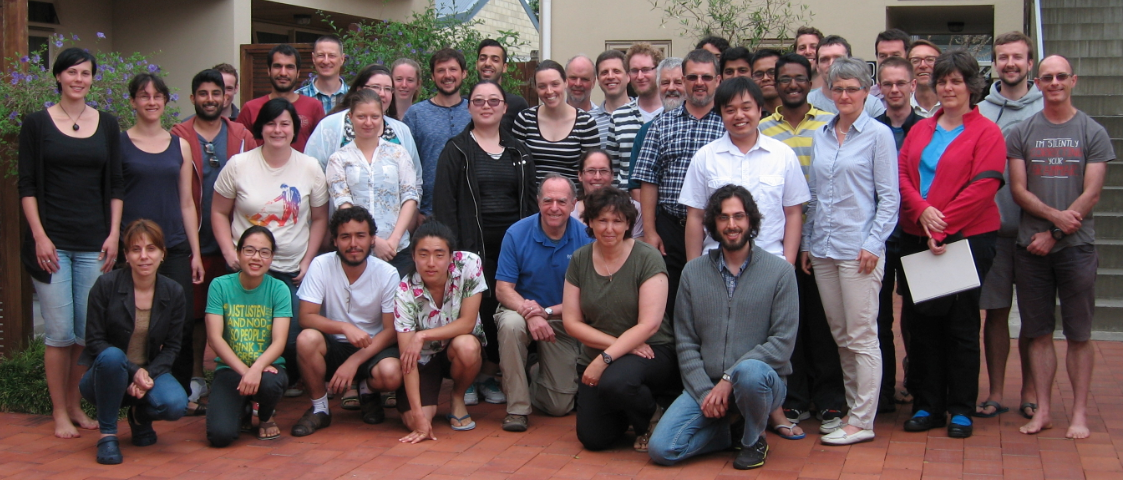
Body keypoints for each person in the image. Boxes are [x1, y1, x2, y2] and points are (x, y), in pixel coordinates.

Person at [648, 185, 799, 470]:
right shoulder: (693, 273)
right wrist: (706, 393)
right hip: (707, 386)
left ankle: (754, 439)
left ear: (751, 221)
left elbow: (781, 342)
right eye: (723, 217)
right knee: (662, 449)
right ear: (712, 224)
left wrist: (730, 379)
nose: (732, 225)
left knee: (751, 372)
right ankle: (732, 431)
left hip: (761, 385)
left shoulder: (780, 272)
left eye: (739, 216)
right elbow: (686, 342)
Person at [898, 50, 1005, 439]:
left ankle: (960, 408)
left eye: (956, 81)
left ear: (972, 87)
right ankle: (929, 404)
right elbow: (903, 177)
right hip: (919, 235)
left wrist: (941, 228)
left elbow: (984, 186)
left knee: (960, 326)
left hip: (969, 239)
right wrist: (923, 211)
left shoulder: (987, 132)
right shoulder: (921, 129)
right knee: (923, 324)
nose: (948, 87)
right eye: (942, 81)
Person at [18, 47, 122, 439]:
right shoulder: (37, 124)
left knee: (84, 332)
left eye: (86, 73)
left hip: (94, 242)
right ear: (58, 76)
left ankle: (77, 404)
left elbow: (115, 185)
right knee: (59, 332)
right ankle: (58, 411)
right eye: (72, 73)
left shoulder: (107, 124)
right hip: (53, 244)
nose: (79, 79)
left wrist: (113, 234)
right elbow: (26, 185)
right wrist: (39, 236)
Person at [1010, 55, 1113, 439]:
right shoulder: (1021, 131)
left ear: (1074, 81)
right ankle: (1045, 411)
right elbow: (1019, 190)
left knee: (1079, 335)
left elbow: (1093, 192)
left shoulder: (1093, 131)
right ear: (1037, 83)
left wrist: (1055, 232)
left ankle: (1080, 413)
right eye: (1047, 77)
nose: (1054, 83)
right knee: (1037, 333)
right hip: (1030, 250)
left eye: (1061, 77)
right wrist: (1055, 219)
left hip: (1076, 249)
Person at [802, 57, 899, 445]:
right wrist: (808, 243)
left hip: (858, 251)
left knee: (862, 336)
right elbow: (813, 196)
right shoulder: (822, 134)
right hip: (824, 249)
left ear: (865, 92)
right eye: (837, 88)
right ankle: (851, 409)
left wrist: (873, 243)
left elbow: (889, 198)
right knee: (841, 334)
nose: (843, 95)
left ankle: (863, 419)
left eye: (851, 89)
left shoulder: (878, 135)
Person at [213, 98, 329, 396]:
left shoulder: (310, 167)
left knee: (289, 337)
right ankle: (244, 385)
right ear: (259, 128)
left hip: (290, 269)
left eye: (285, 124)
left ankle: (277, 385)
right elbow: (218, 212)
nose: (278, 130)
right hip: (246, 267)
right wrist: (229, 252)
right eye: (271, 123)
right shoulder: (239, 165)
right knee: (245, 333)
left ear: (295, 130)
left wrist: (308, 260)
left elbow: (319, 218)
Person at [434, 80, 538, 405]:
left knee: (502, 309)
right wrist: (454, 251)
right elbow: (443, 204)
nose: (486, 105)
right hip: (470, 250)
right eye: (479, 100)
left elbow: (531, 203)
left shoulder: (519, 151)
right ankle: (468, 377)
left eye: (494, 100)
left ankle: (490, 375)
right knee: (475, 311)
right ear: (469, 107)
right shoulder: (456, 150)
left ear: (505, 107)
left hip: (512, 250)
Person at [757, 53, 846, 431]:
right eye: (784, 79)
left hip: (824, 239)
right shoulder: (761, 129)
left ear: (811, 82)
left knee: (823, 322)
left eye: (799, 78)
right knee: (786, 324)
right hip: (778, 241)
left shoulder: (830, 125)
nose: (792, 85)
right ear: (775, 84)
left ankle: (828, 399)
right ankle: (793, 398)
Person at [563, 187, 680, 452]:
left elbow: (649, 324)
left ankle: (650, 417)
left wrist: (606, 359)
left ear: (628, 223)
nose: (609, 228)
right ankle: (627, 412)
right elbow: (571, 322)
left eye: (617, 221)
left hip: (650, 350)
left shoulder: (647, 257)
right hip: (605, 350)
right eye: (602, 220)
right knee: (593, 438)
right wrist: (617, 346)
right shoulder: (580, 260)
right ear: (590, 221)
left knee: (617, 382)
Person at [170, 69, 258, 409]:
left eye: (215, 93)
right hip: (193, 240)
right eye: (202, 93)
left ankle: (236, 375)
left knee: (235, 311)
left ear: (226, 97)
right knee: (192, 315)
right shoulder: (178, 135)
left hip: (235, 240)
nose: (210, 99)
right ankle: (194, 377)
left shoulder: (241, 135)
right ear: (193, 98)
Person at [120, 73, 204, 410]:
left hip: (173, 246)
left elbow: (187, 201)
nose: (151, 101)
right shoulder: (120, 143)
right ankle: (131, 390)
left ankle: (179, 393)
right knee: (130, 320)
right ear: (133, 102)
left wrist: (195, 252)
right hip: (134, 249)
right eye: (143, 95)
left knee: (180, 321)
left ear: (167, 101)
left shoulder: (178, 145)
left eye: (157, 96)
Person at [975, 31, 1044, 420]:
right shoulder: (982, 112)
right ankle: (997, 391)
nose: (1010, 63)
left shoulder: (1044, 109)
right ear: (995, 63)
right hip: (994, 231)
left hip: (1035, 232)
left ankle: (1031, 392)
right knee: (995, 313)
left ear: (1029, 63)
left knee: (1035, 317)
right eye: (1003, 57)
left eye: (1018, 57)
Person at [80, 220, 188, 464]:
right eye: (135, 249)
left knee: (176, 405)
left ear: (162, 254)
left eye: (151, 249)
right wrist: (134, 370)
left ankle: (139, 416)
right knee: (112, 355)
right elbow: (94, 341)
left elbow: (172, 347)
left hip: (147, 370)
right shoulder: (106, 285)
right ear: (126, 255)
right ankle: (108, 436)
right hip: (104, 375)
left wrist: (147, 374)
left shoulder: (173, 292)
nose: (144, 256)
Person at [291, 206, 403, 436]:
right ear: (334, 240)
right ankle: (320, 408)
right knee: (306, 339)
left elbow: (391, 331)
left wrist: (354, 362)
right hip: (335, 345)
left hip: (372, 346)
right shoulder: (321, 265)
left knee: (392, 373)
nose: (354, 243)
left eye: (361, 236)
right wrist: (343, 327)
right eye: (345, 236)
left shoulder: (387, 273)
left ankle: (367, 390)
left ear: (372, 239)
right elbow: (306, 316)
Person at [494, 174, 593, 432]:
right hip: (521, 312)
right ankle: (517, 409)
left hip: (564, 318)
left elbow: (589, 295)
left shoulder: (586, 236)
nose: (554, 208)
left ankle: (536, 373)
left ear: (574, 204)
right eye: (547, 200)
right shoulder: (516, 233)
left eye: (562, 201)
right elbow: (503, 289)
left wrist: (547, 312)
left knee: (559, 406)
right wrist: (531, 313)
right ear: (538, 202)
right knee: (510, 325)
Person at [633, 49, 725, 316]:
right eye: (693, 76)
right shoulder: (661, 125)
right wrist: (650, 232)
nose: (699, 83)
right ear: (683, 80)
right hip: (671, 228)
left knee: (711, 301)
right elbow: (649, 179)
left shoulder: (727, 124)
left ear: (718, 80)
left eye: (706, 77)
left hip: (715, 230)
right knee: (670, 302)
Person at [680, 76, 808, 265]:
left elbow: (793, 213)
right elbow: (696, 216)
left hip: (771, 260)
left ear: (759, 109)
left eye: (746, 108)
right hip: (716, 262)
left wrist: (787, 265)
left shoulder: (783, 155)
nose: (739, 115)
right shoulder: (705, 157)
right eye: (730, 110)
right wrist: (693, 270)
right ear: (721, 114)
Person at [394, 221, 486, 442]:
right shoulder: (404, 292)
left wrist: (422, 334)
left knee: (468, 346)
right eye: (423, 255)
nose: (431, 263)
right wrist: (417, 414)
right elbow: (408, 360)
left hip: (456, 347)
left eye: (439, 254)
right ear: (413, 256)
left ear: (451, 256)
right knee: (414, 421)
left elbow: (467, 323)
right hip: (423, 359)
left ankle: (457, 397)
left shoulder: (470, 264)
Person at [204, 226, 292, 446]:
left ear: (271, 258)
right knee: (220, 436)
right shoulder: (219, 286)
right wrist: (246, 372)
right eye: (250, 250)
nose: (256, 258)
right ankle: (242, 408)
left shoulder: (279, 289)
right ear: (239, 252)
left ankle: (264, 415)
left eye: (264, 252)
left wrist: (256, 369)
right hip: (230, 368)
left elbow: (280, 341)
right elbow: (215, 338)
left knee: (271, 383)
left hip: (266, 367)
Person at [872, 56, 923, 412]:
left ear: (912, 86)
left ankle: (922, 387)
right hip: (882, 240)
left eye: (900, 83)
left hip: (919, 236)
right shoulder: (871, 129)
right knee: (880, 319)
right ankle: (884, 392)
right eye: (887, 84)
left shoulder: (929, 128)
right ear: (880, 87)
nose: (894, 90)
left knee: (922, 316)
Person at [325, 89, 420, 275]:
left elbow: (410, 196)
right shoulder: (339, 159)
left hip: (397, 250)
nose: (368, 122)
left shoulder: (398, 153)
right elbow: (344, 205)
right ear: (351, 117)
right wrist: (373, 242)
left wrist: (393, 241)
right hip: (356, 250)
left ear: (382, 116)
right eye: (361, 116)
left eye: (374, 116)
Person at [305, 64, 421, 179]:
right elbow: (312, 172)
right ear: (359, 90)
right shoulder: (329, 126)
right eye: (376, 87)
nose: (382, 94)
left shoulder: (401, 130)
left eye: (387, 89)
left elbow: (414, 176)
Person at [403, 48, 472, 218]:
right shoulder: (416, 114)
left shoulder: (476, 110)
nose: (447, 75)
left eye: (453, 69)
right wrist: (415, 211)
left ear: (464, 73)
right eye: (440, 70)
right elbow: (406, 166)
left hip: (472, 210)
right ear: (433, 76)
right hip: (428, 211)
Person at [514, 60, 600, 183]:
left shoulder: (585, 123)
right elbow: (515, 167)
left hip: (572, 200)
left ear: (565, 83)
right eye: (542, 86)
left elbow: (591, 172)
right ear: (536, 88)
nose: (549, 91)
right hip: (533, 199)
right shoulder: (525, 119)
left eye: (555, 84)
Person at [236, 44, 325, 152]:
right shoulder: (251, 108)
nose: (283, 73)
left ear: (298, 73)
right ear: (269, 70)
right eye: (277, 66)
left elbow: (322, 148)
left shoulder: (314, 106)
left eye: (289, 67)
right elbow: (238, 146)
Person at [624, 57, 687, 199]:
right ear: (658, 87)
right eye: (665, 83)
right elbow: (635, 187)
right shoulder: (647, 131)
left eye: (678, 82)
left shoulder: (701, 127)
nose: (671, 88)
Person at [606, 43, 666, 187]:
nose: (640, 76)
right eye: (634, 70)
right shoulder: (618, 117)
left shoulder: (673, 115)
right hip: (626, 204)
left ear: (658, 71)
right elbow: (611, 171)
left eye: (645, 70)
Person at [806, 36, 885, 117]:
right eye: (825, 59)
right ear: (817, 67)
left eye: (838, 58)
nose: (831, 64)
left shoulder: (872, 105)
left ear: (849, 62)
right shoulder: (806, 103)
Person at [575, 149, 645, 239]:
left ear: (612, 175)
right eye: (591, 171)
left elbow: (637, 248)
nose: (597, 177)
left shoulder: (633, 208)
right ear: (580, 175)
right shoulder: (570, 212)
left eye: (603, 171)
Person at [477, 38, 530, 131]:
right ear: (476, 65)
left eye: (495, 60)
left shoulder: (517, 105)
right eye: (483, 59)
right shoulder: (465, 103)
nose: (487, 63)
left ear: (504, 67)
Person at [296, 35, 349, 114]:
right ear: (313, 58)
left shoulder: (355, 97)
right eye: (321, 55)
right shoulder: (297, 98)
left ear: (342, 59)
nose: (326, 61)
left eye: (332, 55)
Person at [590, 50, 632, 146]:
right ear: (598, 80)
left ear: (628, 76)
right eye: (604, 72)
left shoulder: (640, 114)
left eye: (616, 71)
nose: (610, 76)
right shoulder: (588, 121)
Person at [870, 29, 912, 101]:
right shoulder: (868, 98)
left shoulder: (919, 96)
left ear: (907, 57)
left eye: (895, 55)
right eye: (883, 56)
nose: (888, 61)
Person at [907, 40, 943, 118]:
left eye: (930, 59)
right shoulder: (903, 108)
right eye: (915, 60)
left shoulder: (953, 106)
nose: (923, 65)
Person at [751, 49, 783, 114]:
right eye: (759, 74)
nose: (765, 78)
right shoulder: (749, 117)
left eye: (772, 72)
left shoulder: (801, 111)